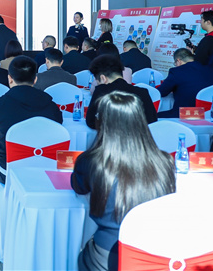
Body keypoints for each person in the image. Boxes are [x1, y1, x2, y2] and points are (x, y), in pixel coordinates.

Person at [72, 92, 176, 271]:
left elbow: (79, 187)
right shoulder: (164, 161)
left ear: (103, 122)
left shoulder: (92, 161)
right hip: (155, 254)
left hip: (108, 253)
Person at [0, 56, 63, 215]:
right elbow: (58, 125)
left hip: (10, 172)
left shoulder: (1, 103)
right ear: (35, 79)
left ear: (10, 79)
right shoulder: (50, 104)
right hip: (47, 170)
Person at [86, 55, 157, 130]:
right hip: (139, 136)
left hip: (112, 136)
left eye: (98, 82)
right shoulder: (143, 92)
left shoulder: (102, 91)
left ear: (103, 78)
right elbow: (152, 121)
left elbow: (91, 121)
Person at [157, 48, 213, 119]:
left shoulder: (176, 71)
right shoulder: (209, 70)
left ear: (178, 61)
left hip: (186, 113)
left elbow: (161, 92)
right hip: (207, 114)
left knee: (153, 116)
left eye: (175, 63)